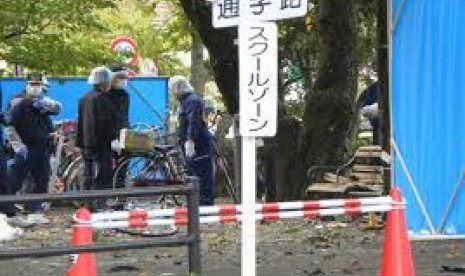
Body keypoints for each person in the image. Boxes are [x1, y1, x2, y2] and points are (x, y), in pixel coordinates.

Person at [7, 72, 62, 224]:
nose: (36, 88)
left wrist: (45, 104)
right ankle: (6, 212)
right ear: (27, 85)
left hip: (42, 147)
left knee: (41, 180)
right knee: (14, 180)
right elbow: (10, 127)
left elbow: (58, 108)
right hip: (25, 148)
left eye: (38, 85)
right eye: (32, 85)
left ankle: (34, 211)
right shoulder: (17, 102)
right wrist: (18, 145)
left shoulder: (42, 102)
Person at [76, 66, 118, 211]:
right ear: (103, 82)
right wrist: (113, 139)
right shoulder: (103, 99)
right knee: (102, 175)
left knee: (88, 175)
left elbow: (80, 122)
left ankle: (87, 205)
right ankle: (99, 205)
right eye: (108, 81)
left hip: (86, 144)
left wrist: (80, 142)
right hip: (101, 145)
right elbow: (106, 122)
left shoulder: (84, 98)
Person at [169, 76, 214, 206]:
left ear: (178, 88)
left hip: (199, 144)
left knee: (201, 175)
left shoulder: (192, 101)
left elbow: (193, 122)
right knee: (194, 173)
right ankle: (198, 203)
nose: (172, 92)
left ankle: (204, 204)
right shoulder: (187, 100)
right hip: (195, 143)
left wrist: (190, 140)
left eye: (172, 89)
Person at [109, 64, 130, 189]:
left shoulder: (124, 94)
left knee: (122, 168)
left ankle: (120, 200)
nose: (123, 80)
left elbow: (123, 117)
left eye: (124, 77)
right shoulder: (106, 95)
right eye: (119, 77)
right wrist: (112, 137)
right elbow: (110, 118)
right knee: (108, 171)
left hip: (124, 135)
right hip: (110, 137)